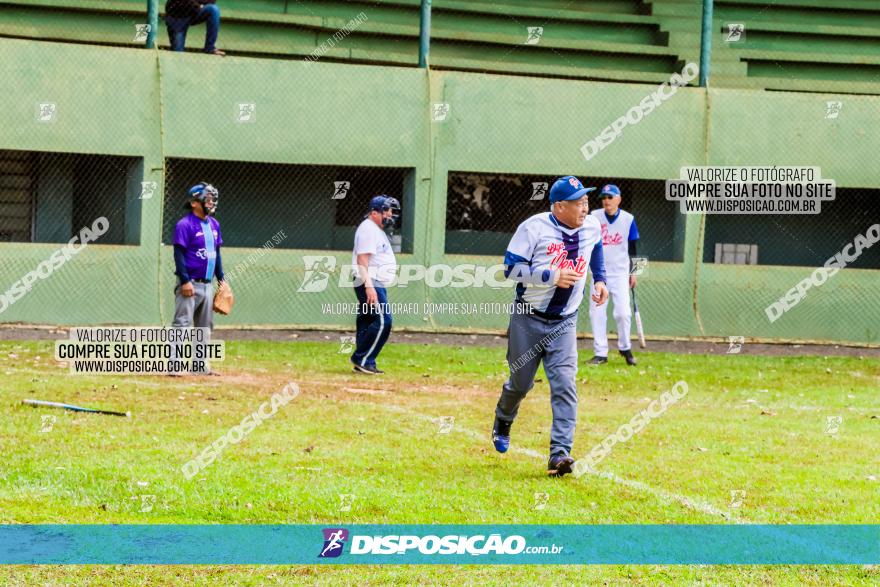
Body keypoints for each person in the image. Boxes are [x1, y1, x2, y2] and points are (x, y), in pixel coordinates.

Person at [492, 176, 608, 477]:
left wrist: (601, 279)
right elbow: (509, 269)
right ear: (558, 206)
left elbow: (595, 249)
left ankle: (560, 455)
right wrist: (550, 276)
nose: (585, 208)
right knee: (520, 384)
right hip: (528, 318)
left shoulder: (592, 225)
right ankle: (503, 419)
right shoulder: (533, 228)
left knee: (565, 386)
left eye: (586, 201)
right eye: (578, 203)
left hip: (565, 322)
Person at [171, 182, 224, 375]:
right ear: (194, 202)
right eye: (206, 198)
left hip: (207, 284)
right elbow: (178, 255)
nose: (211, 202)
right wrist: (184, 280)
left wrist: (222, 280)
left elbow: (216, 254)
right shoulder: (184, 225)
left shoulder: (214, 225)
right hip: (190, 283)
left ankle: (199, 365)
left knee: (205, 326)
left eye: (212, 199)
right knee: (182, 324)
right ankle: (174, 365)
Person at [588, 184, 640, 367]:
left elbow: (634, 248)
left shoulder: (628, 219)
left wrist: (634, 273)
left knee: (623, 313)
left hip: (620, 273)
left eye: (610, 197)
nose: (606, 201)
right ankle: (600, 353)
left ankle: (625, 348)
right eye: (604, 197)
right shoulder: (594, 217)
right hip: (599, 273)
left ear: (619, 199)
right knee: (597, 313)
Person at [350, 195, 400, 375]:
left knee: (367, 320)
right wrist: (369, 286)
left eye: (391, 211)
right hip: (369, 280)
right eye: (386, 211)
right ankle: (362, 359)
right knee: (382, 321)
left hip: (372, 281)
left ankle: (364, 362)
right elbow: (362, 259)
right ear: (374, 212)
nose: (390, 215)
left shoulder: (376, 229)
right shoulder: (368, 229)